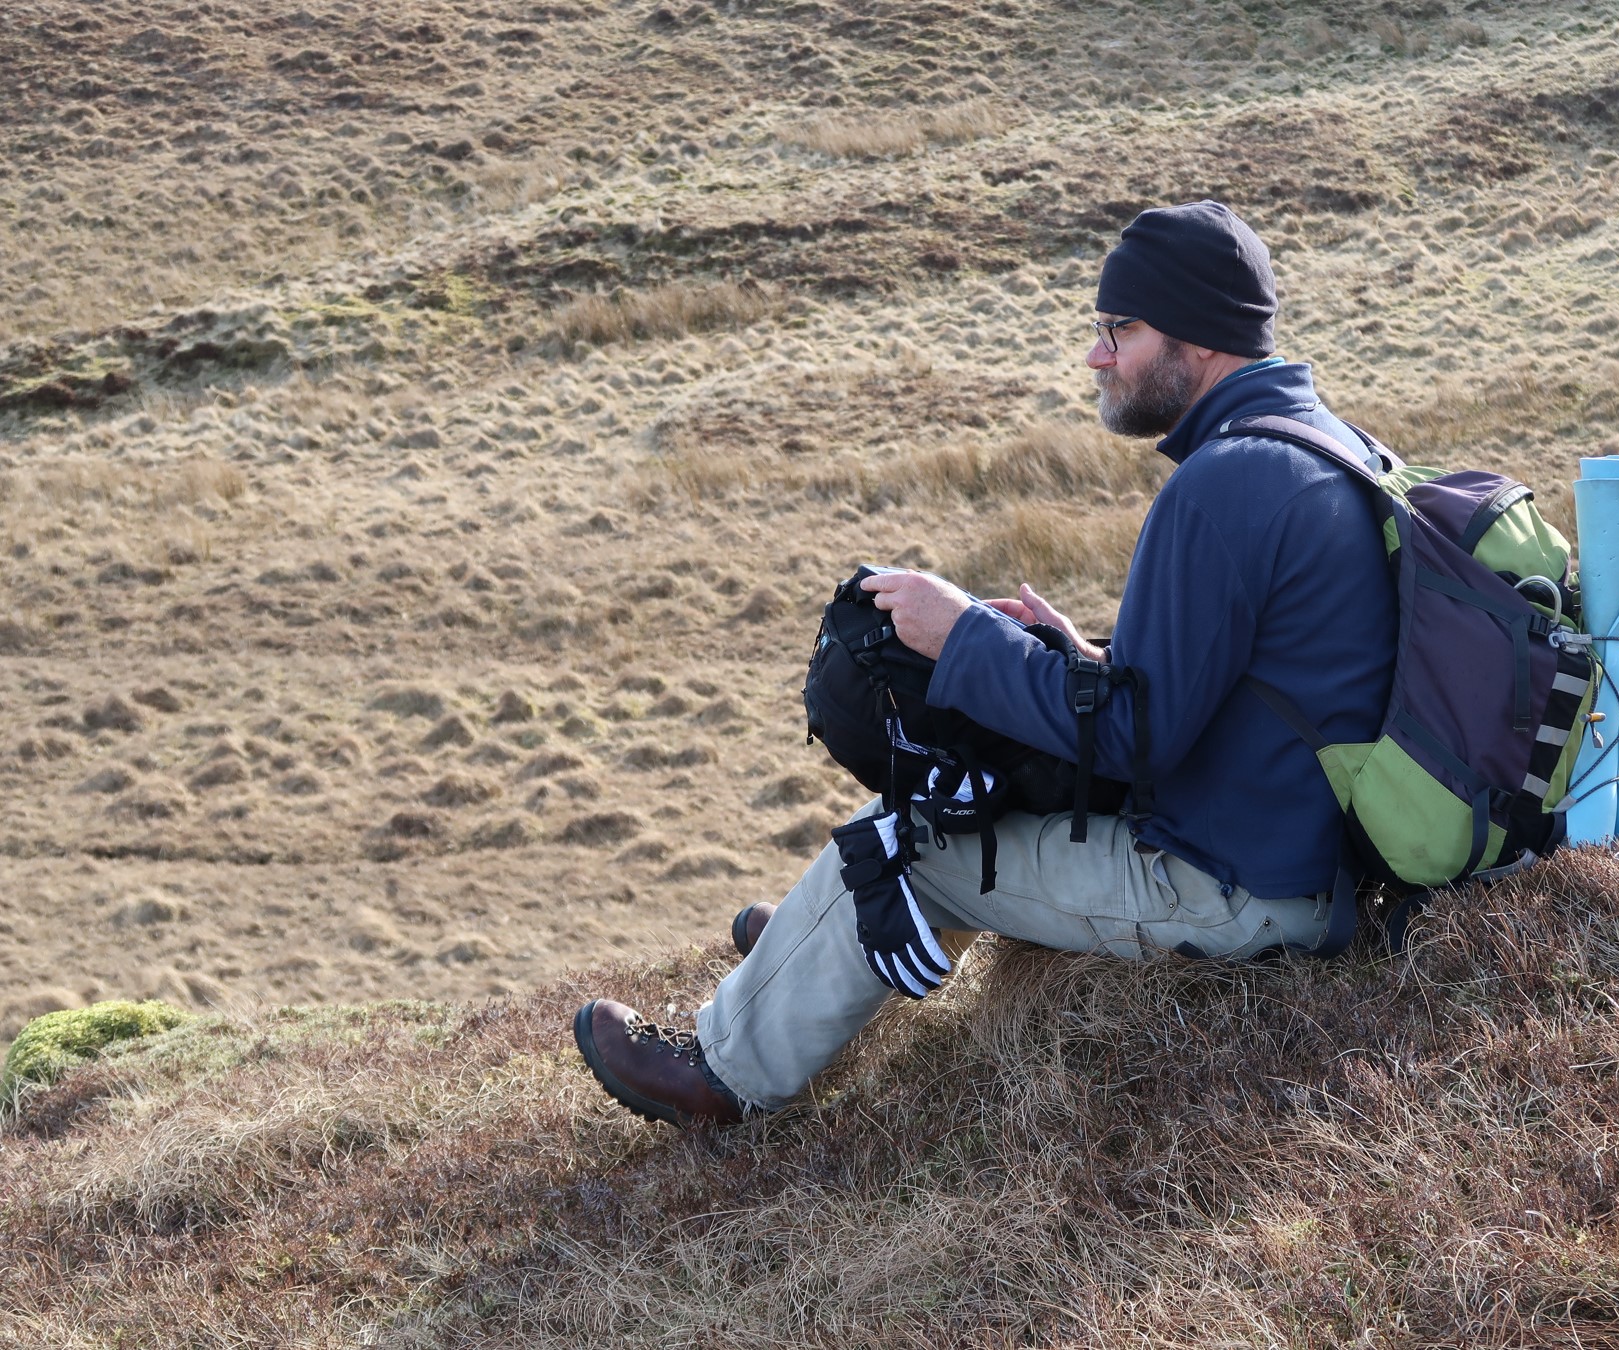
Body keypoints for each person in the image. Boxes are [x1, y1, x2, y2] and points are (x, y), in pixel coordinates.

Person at [573, 200, 1399, 1126]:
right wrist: (1078, 654)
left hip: (1239, 888)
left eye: (1117, 329)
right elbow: (1248, 683)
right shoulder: (1325, 447)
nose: (1096, 355)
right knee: (951, 808)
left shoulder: (1225, 485)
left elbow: (1135, 739)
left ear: (1196, 337)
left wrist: (961, 634)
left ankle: (723, 1071)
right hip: (1292, 846)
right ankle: (816, 957)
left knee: (906, 843)